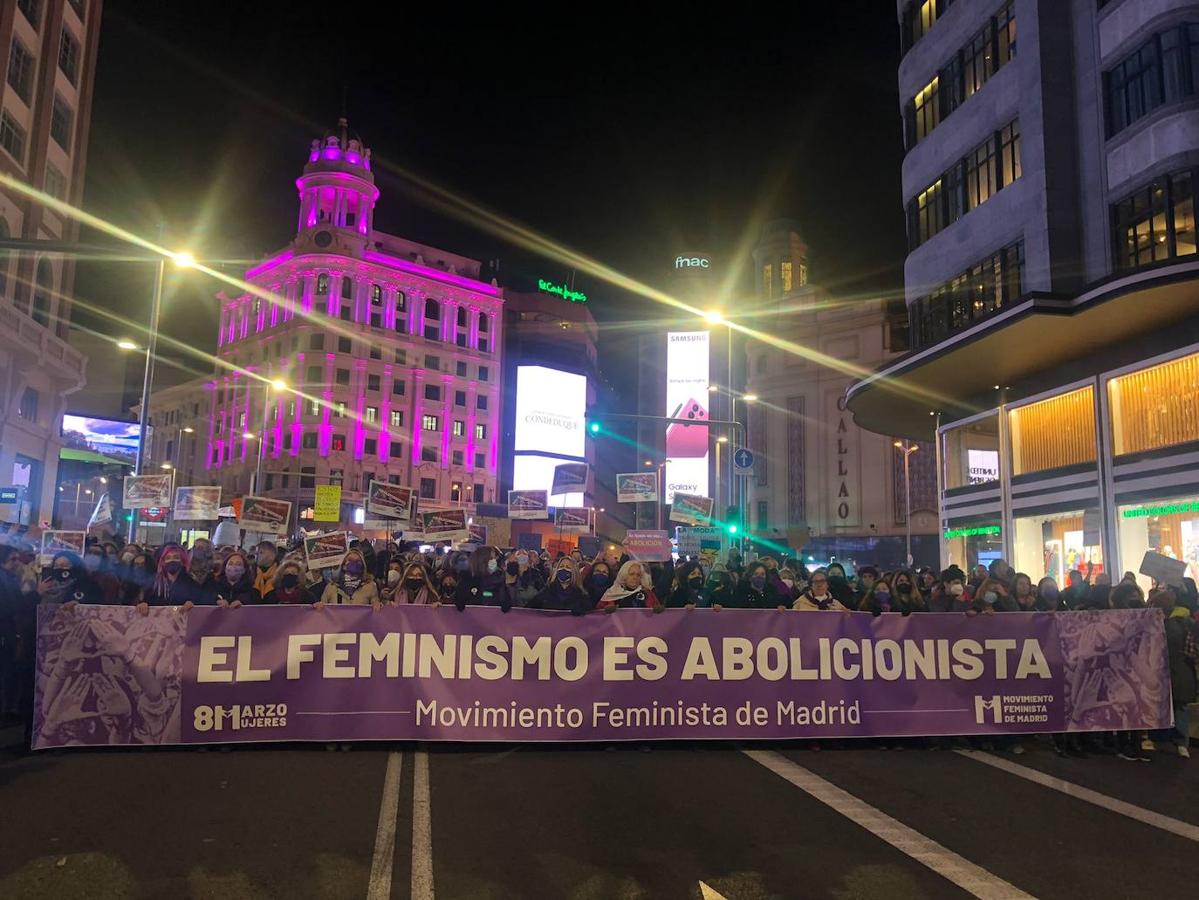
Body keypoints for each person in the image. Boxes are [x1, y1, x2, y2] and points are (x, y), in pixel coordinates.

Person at [1151, 587, 1198, 758]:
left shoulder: (1161, 622)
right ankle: (1180, 742)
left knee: (1168, 705)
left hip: (1165, 668)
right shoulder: (1185, 621)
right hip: (1181, 668)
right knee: (1179, 706)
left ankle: (1165, 740)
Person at [453, 546, 512, 612]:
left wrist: (499, 579)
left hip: (494, 618)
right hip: (471, 619)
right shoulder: (466, 578)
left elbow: (506, 605)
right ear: (483, 560)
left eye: (495, 558)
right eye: (492, 558)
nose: (495, 560)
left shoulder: (498, 577)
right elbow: (459, 604)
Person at [41, 551, 105, 608]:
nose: (60, 569)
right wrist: (38, 594)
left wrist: (79, 605)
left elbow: (99, 608)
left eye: (64, 566)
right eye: (56, 566)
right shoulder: (46, 586)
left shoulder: (90, 587)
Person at [597, 561, 662, 610]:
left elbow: (657, 611)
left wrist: (658, 611)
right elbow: (597, 615)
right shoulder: (612, 593)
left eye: (638, 575)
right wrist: (605, 611)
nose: (635, 577)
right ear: (624, 575)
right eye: (631, 574)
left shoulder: (648, 593)